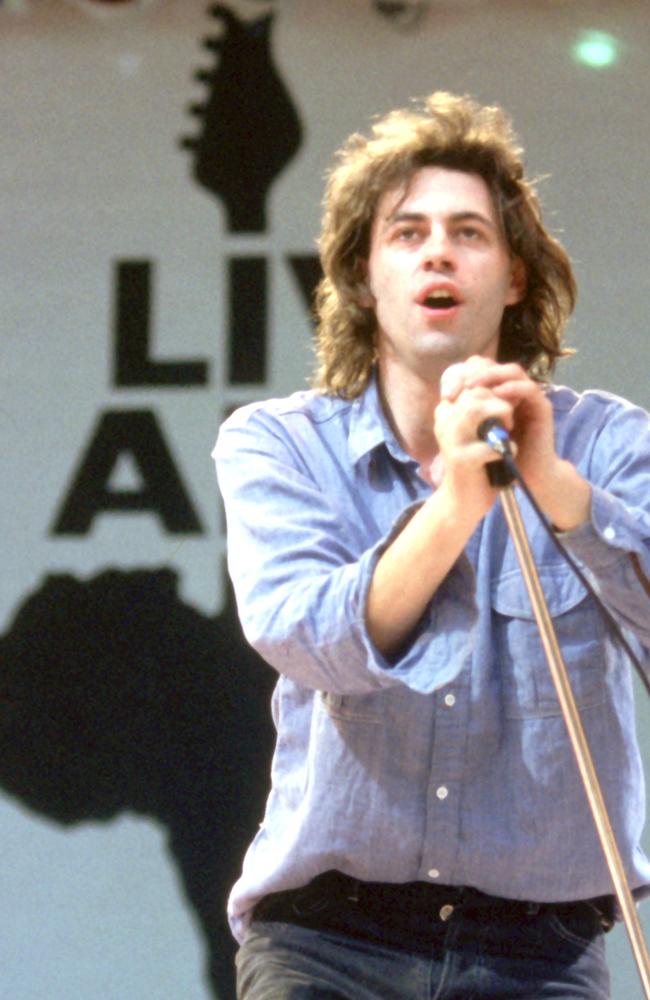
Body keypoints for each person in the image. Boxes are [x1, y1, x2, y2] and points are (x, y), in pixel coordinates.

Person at [213, 91, 650, 999]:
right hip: (329, 946)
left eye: (470, 232)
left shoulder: (608, 445)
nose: (439, 251)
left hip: (540, 954)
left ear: (517, 277)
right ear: (364, 278)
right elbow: (301, 632)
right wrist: (459, 498)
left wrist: (553, 485)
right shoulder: (280, 444)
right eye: (407, 234)